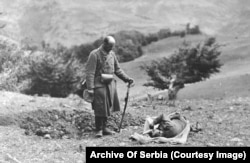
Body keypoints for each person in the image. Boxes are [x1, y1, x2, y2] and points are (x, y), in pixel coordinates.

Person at [85, 36, 134, 138]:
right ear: (104, 43)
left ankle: (105, 127)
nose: (111, 48)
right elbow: (90, 72)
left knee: (108, 106)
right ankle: (98, 129)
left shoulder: (112, 54)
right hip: (98, 84)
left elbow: (117, 69)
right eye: (110, 46)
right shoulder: (94, 54)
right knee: (100, 106)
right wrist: (90, 88)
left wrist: (127, 79)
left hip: (110, 84)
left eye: (113, 46)